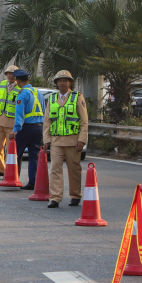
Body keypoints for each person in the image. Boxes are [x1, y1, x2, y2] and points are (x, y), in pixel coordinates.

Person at [42, 70, 89, 208]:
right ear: (56, 83)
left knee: (74, 169)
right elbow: (47, 121)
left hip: (73, 141)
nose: (62, 82)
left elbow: (84, 121)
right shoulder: (51, 98)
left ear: (70, 83)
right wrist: (46, 140)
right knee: (55, 168)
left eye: (65, 80)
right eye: (60, 80)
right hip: (56, 140)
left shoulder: (77, 97)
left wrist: (82, 140)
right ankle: (55, 197)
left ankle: (75, 195)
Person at [9, 68, 45, 190]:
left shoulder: (22, 94)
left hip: (26, 129)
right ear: (28, 79)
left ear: (18, 81)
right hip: (39, 128)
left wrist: (15, 130)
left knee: (16, 154)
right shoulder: (38, 92)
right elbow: (44, 111)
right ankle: (33, 182)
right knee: (34, 156)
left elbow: (19, 114)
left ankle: (13, 178)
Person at [0, 65, 21, 180]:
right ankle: (0, 168)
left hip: (12, 124)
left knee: (10, 148)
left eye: (12, 73)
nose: (10, 75)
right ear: (6, 74)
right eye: (8, 73)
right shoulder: (1, 85)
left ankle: (7, 169)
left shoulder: (20, 88)